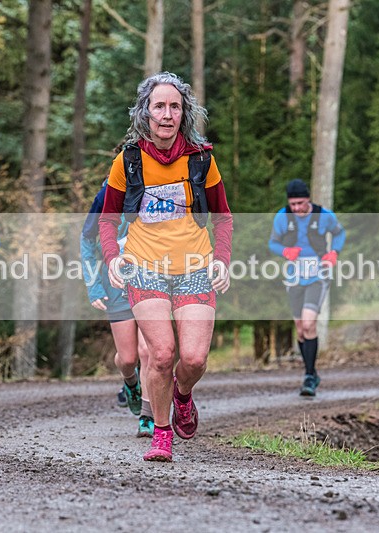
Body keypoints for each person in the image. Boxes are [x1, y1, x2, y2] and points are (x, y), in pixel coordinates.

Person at [99, 72, 233, 462]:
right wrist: (113, 259)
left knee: (193, 360)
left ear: (184, 113)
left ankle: (183, 395)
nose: (167, 114)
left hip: (193, 264)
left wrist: (221, 261)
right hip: (144, 265)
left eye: (175, 106)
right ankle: (161, 431)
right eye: (159, 106)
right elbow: (106, 222)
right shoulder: (127, 161)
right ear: (146, 112)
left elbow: (223, 218)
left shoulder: (202, 159)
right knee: (160, 354)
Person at [81, 180, 154, 437]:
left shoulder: (155, 189)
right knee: (128, 359)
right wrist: (94, 286)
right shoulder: (105, 195)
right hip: (116, 285)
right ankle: (130, 382)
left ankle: (148, 416)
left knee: (148, 351)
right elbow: (87, 240)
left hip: (150, 282)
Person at [268, 178, 345, 397]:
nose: (297, 208)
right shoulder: (283, 217)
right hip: (294, 276)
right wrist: (284, 252)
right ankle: (311, 372)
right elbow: (273, 243)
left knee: (310, 322)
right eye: (293, 204)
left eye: (301, 203)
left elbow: (340, 233)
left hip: (318, 274)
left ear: (308, 199)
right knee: (301, 328)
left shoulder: (324, 215)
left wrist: (334, 253)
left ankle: (310, 376)